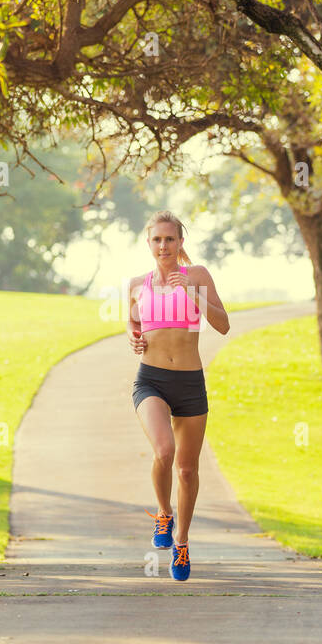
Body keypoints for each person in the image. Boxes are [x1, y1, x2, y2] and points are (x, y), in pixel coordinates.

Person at [127, 211, 229, 580]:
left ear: (180, 242)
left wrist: (194, 296)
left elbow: (223, 323)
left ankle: (182, 543)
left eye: (170, 239)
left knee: (187, 469)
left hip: (189, 383)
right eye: (157, 239)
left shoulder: (197, 276)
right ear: (149, 243)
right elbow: (134, 322)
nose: (164, 246)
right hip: (150, 379)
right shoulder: (138, 284)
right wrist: (133, 335)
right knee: (164, 451)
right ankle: (163, 515)